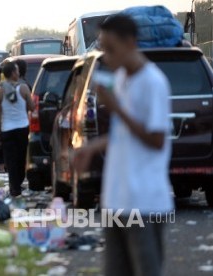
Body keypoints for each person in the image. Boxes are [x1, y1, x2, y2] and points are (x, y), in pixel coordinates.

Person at [73, 15, 173, 276]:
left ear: (131, 43)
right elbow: (123, 135)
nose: (106, 56)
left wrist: (116, 107)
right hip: (116, 199)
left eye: (110, 48)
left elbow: (156, 139)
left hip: (145, 202)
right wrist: (91, 148)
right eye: (102, 49)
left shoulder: (154, 82)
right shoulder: (121, 79)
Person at [0, 61, 35, 198]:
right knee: (22, 158)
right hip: (23, 129)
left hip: (7, 130)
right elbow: (32, 107)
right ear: (12, 73)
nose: (19, 73)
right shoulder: (24, 88)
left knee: (10, 159)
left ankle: (14, 186)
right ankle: (17, 183)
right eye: (17, 71)